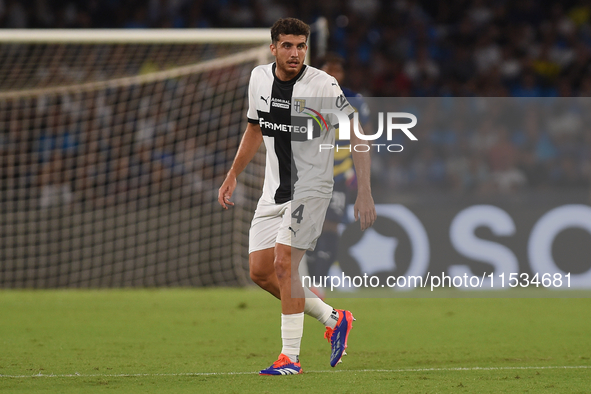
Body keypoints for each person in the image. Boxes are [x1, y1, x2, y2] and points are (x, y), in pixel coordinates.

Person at [218, 18, 376, 376]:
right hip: (273, 191)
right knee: (260, 272)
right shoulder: (259, 78)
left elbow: (358, 135)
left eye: (301, 46)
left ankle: (290, 358)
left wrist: (364, 191)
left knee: (284, 264)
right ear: (273, 47)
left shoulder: (322, 84)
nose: (295, 53)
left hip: (312, 188)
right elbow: (254, 129)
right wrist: (232, 173)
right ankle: (335, 318)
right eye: (287, 45)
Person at [306, 53, 372, 289]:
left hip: (339, 174)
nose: (334, 75)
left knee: (331, 225)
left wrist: (359, 171)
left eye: (338, 71)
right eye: (328, 70)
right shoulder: (306, 97)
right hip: (308, 174)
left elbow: (364, 137)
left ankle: (318, 283)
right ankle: (309, 278)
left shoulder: (354, 99)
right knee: (307, 229)